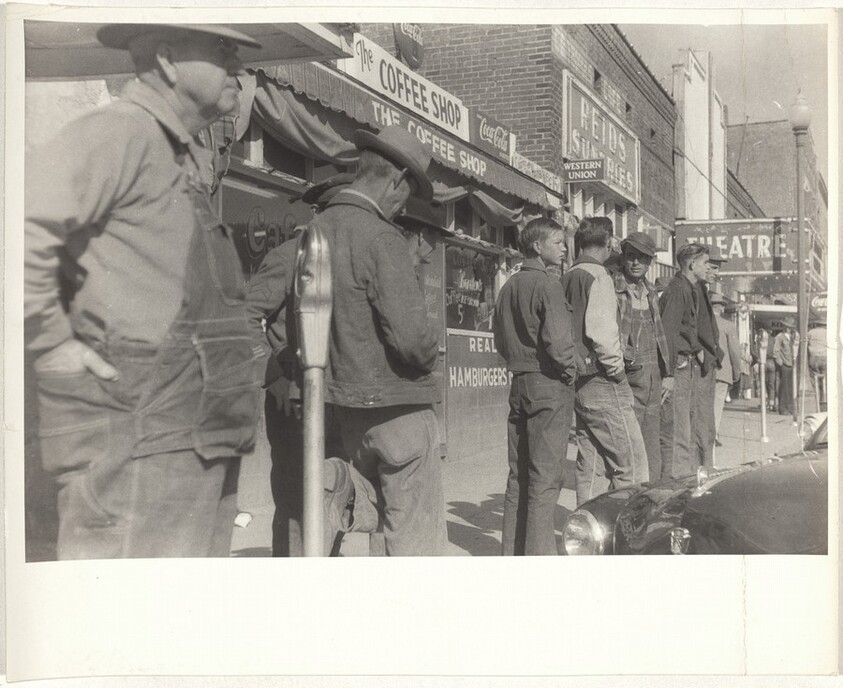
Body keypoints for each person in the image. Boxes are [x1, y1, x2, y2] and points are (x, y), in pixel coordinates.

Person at [25, 24, 264, 559]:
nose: (240, 69)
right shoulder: (118, 133)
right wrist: (52, 342)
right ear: (167, 59)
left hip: (188, 436)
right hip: (137, 440)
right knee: (128, 625)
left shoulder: (175, 152)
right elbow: (16, 227)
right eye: (224, 51)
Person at [318, 125, 446, 556]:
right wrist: (431, 351)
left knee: (378, 532)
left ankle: (340, 484)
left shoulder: (315, 229)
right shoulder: (382, 238)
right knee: (413, 543)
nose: (400, 207)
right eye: (405, 197)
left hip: (347, 414)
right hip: (400, 411)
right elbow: (412, 340)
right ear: (395, 181)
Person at [244, 173, 353, 557]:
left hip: (339, 403)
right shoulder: (291, 255)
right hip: (293, 401)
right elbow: (243, 318)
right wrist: (272, 375)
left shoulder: (351, 259)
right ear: (318, 212)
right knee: (295, 506)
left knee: (333, 502)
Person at [494, 218, 577, 555]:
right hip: (548, 384)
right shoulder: (548, 285)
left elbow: (500, 340)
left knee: (519, 477)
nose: (564, 248)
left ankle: (513, 555)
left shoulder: (509, 286)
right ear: (537, 246)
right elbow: (558, 342)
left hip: (519, 384)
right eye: (557, 242)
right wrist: (570, 369)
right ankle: (540, 560)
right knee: (546, 479)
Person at [562, 217, 648, 506]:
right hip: (602, 378)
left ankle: (586, 534)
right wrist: (618, 372)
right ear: (609, 242)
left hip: (579, 381)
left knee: (592, 465)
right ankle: (626, 538)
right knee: (633, 464)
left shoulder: (570, 274)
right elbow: (601, 333)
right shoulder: (599, 276)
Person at [613, 232, 673, 481]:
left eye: (642, 258)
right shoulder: (614, 289)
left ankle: (653, 500)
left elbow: (660, 336)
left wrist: (668, 374)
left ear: (650, 262)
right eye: (631, 257)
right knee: (628, 450)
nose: (636, 263)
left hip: (654, 379)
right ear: (624, 258)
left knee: (652, 445)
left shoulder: (651, 293)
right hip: (627, 380)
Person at [658, 242, 710, 479]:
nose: (708, 267)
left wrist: (697, 347)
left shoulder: (688, 288)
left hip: (685, 364)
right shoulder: (678, 290)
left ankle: (684, 479)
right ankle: (677, 484)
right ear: (692, 264)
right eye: (706, 262)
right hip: (677, 368)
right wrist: (667, 374)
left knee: (686, 426)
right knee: (679, 429)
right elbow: (667, 333)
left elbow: (684, 329)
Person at [693, 246, 725, 466]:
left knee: (708, 426)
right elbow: (684, 326)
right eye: (712, 267)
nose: (715, 272)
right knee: (701, 425)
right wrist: (699, 350)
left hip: (708, 366)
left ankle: (706, 468)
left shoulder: (703, 290)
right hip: (698, 369)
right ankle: (701, 472)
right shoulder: (693, 290)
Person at [711, 295, 741, 444]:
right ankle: (714, 434)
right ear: (721, 308)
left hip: (704, 370)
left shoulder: (701, 323)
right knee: (717, 404)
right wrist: (737, 372)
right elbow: (735, 352)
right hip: (722, 371)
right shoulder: (728, 326)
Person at [773, 319, 796, 415]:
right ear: (786, 327)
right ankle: (783, 408)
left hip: (790, 364)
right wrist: (781, 363)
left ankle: (789, 407)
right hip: (784, 365)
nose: (790, 329)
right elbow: (775, 351)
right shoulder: (780, 337)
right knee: (783, 388)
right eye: (789, 327)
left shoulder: (790, 337)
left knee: (790, 388)